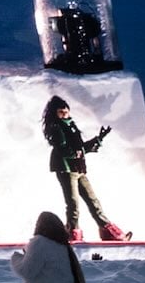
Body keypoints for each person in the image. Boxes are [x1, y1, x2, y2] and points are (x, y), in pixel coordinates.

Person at [43, 96, 130, 242]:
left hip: (78, 168)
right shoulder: (56, 128)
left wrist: (98, 139)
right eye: (61, 112)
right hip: (67, 170)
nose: (64, 115)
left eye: (66, 112)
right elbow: (64, 149)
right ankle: (73, 234)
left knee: (92, 201)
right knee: (73, 205)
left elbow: (81, 148)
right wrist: (77, 152)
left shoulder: (71, 126)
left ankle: (109, 232)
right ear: (55, 113)